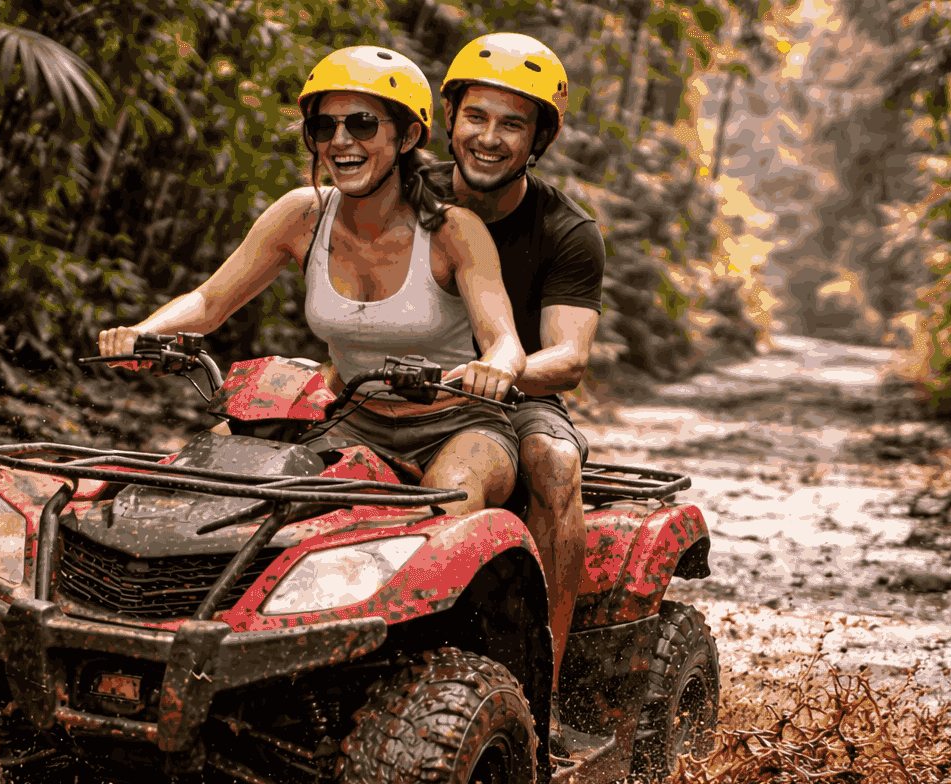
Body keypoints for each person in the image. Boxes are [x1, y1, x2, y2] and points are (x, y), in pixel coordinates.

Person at [97, 46, 525, 515]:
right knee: (206, 469)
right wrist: (143, 334)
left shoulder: (453, 229)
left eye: (362, 124)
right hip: (350, 419)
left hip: (460, 425)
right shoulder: (302, 214)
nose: (340, 140)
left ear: (408, 137)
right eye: (325, 127)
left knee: (447, 499)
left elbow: (503, 339)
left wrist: (496, 367)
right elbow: (209, 301)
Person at [429, 33, 606, 710]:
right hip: (389, 387)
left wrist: (497, 371)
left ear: (538, 139)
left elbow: (570, 356)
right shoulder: (402, 200)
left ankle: (544, 689)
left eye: (513, 124)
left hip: (512, 394)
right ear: (451, 119)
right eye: (477, 117)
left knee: (554, 460)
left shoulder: (567, 229)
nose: (489, 138)